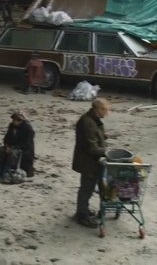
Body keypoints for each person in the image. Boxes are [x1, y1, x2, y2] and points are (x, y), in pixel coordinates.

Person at [71, 98, 110, 228]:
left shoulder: (92, 120)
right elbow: (91, 147)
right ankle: (82, 215)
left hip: (91, 160)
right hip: (88, 162)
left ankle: (83, 210)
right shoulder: (88, 123)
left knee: (88, 187)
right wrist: (106, 152)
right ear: (97, 109)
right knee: (86, 188)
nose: (107, 113)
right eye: (105, 109)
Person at [0, 110, 36, 179]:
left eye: (17, 120)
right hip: (11, 146)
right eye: (14, 119)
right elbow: (6, 138)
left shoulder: (28, 130)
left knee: (13, 153)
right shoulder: (11, 126)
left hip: (23, 150)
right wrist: (7, 146)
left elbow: (27, 144)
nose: (15, 121)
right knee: (1, 150)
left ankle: (8, 171)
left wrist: (14, 148)